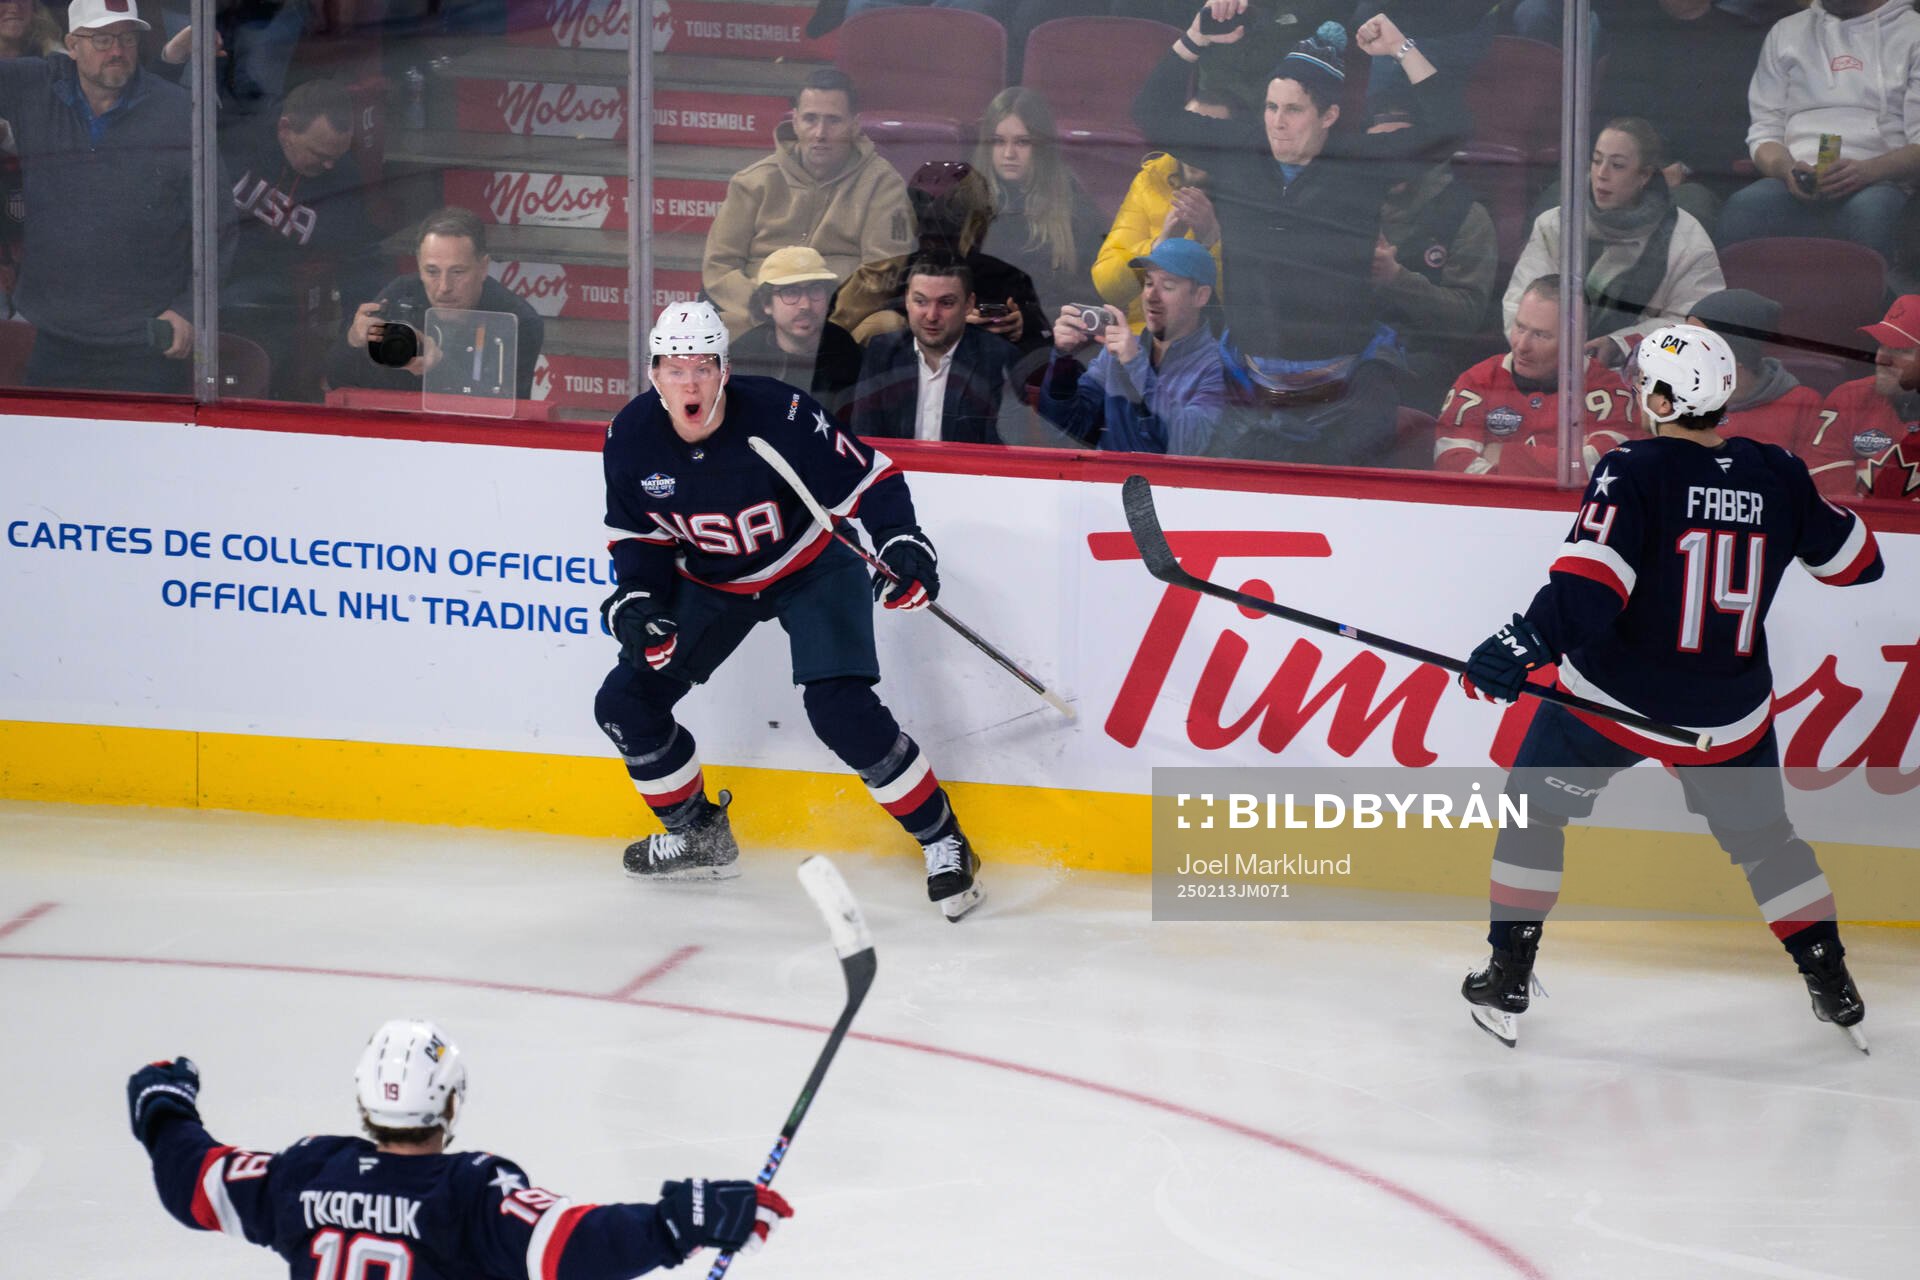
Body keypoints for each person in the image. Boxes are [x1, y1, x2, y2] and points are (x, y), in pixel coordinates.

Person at [1455, 323, 1884, 1052]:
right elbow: (1858, 564)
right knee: (1769, 846)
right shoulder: (1776, 469)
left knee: (1533, 812)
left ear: (1661, 397)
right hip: (1730, 715)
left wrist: (1522, 641)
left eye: (1640, 386)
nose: (1631, 395)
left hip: (1613, 705)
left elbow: (1591, 588)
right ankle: (1831, 981)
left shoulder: (1635, 468)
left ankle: (1508, 973)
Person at [597, 300, 985, 921]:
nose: (689, 382)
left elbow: (873, 482)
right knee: (625, 703)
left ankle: (945, 841)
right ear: (654, 374)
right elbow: (639, 537)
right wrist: (638, 600)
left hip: (812, 566)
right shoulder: (631, 437)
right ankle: (699, 834)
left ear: (724, 369)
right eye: (674, 367)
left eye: (702, 366)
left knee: (840, 711)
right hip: (713, 581)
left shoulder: (779, 414)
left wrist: (904, 545)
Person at [126, 1020, 792, 1278]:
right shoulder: (470, 1192)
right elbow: (570, 1243)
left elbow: (196, 1184)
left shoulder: (303, 1173)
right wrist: (679, 1222)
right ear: (451, 1102)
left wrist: (164, 1107)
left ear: (364, 1101)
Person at [1133, 9, 1468, 466]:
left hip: (1346, 402)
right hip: (1245, 393)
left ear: (1329, 114)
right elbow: (1150, 114)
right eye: (1271, 107)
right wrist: (1194, 38)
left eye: (1293, 110)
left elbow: (1452, 129)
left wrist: (1400, 48)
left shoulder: (1358, 163)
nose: (1277, 122)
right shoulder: (1240, 150)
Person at [0, 0, 236, 394]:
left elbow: (219, 221)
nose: (117, 51)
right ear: (72, 45)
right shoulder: (34, 88)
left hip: (145, 340)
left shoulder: (179, 111)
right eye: (103, 39)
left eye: (127, 39)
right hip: (53, 336)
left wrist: (189, 307)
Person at [702, 69, 914, 338]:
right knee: (708, 331)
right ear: (795, 120)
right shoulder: (753, 182)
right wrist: (766, 310)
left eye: (833, 121)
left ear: (854, 124)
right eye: (810, 119)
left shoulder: (883, 184)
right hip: (761, 315)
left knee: (886, 325)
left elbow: (884, 270)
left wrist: (824, 317)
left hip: (841, 319)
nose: (820, 133)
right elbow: (720, 266)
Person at [1503, 118, 1724, 370]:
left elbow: (1694, 330)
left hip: (1645, 378)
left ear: (1644, 175)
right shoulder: (1555, 224)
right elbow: (1518, 307)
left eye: (1617, 165)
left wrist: (1623, 345)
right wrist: (1553, 358)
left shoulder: (1687, 240)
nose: (1601, 174)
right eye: (1597, 161)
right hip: (1550, 372)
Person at [218, 78, 385, 401]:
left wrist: (358, 332)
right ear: (285, 129)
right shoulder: (236, 138)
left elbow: (360, 260)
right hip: (202, 279)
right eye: (320, 154)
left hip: (271, 300)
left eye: (336, 156)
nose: (328, 165)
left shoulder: (343, 179)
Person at [1719, 0, 1920, 265]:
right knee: (1744, 208)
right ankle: (1742, 306)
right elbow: (1764, 130)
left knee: (1872, 212)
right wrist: (1785, 168)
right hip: (1796, 179)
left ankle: (1879, 306)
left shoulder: (1912, 34)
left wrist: (1868, 171)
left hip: (1882, 180)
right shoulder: (1786, 31)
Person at [829, 160, 1047, 356]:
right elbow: (831, 340)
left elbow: (1041, 335)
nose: (933, 232)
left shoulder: (1005, 274)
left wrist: (1023, 323)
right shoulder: (894, 270)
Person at [328, 207, 545, 400]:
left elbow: (506, 412)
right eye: (432, 272)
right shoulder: (402, 293)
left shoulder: (518, 321)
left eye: (457, 272)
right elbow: (337, 381)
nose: (444, 287)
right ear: (418, 266)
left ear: (483, 268)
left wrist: (439, 368)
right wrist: (353, 340)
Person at [1434, 274, 1637, 477]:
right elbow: (1450, 463)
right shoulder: (1477, 381)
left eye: (1541, 335)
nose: (1522, 346)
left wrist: (1506, 456)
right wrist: (1561, 462)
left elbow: (1609, 468)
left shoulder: (1611, 391)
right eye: (1520, 328)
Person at [1038, 237, 1224, 453]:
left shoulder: (1218, 366)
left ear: (1201, 296)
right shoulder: (1119, 353)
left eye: (1168, 286)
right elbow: (1068, 425)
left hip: (1172, 486)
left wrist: (1136, 365)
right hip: (1109, 482)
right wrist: (1062, 361)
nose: (1150, 296)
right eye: (1148, 283)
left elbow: (1187, 445)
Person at [1370, 111, 1497, 414]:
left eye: (1403, 145)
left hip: (1425, 357)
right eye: (1379, 146)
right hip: (1348, 348)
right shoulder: (1343, 203)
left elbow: (1467, 315)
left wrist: (1396, 279)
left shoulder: (1467, 215)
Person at [1090, 92, 1231, 333]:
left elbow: (1249, 313)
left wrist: (1212, 241)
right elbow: (1106, 285)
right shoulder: (1152, 178)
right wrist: (1158, 246)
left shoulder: (1249, 193)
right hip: (1139, 336)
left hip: (1214, 347)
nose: (1195, 144)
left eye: (1208, 135)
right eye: (1186, 131)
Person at [971, 87, 1107, 335]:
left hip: (1044, 339)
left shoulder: (1072, 204)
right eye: (998, 142)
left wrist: (1031, 322)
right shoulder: (967, 199)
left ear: (1041, 147)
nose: (1009, 154)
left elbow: (1088, 296)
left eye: (1022, 142)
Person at [846, 255, 1017, 446]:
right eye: (921, 301)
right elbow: (865, 437)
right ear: (907, 301)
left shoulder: (996, 357)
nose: (931, 315)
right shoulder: (882, 352)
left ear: (968, 305)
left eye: (946, 303)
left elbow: (998, 450)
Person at [1682, 287, 1823, 457]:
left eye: (1700, 339)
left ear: (1735, 353)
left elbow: (1810, 478)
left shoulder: (1801, 404)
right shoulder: (1671, 397)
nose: (1684, 347)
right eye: (1684, 336)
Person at [727, 245, 864, 414]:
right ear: (766, 303)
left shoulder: (851, 357)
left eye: (815, 290)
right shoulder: (743, 358)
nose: (805, 305)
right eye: (791, 292)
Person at [1823, 294, 1920, 501]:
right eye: (1882, 345)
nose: (1881, 359)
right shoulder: (1848, 399)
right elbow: (1826, 497)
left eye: (1900, 350)